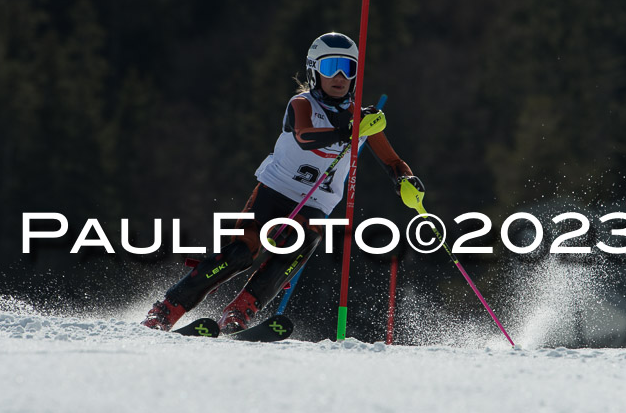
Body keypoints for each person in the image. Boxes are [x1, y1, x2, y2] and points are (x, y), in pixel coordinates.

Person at [142, 32, 424, 333]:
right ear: (315, 70)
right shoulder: (302, 103)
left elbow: (393, 161)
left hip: (316, 204)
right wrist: (348, 131)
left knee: (298, 244)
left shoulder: (364, 120)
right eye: (331, 68)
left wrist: (405, 180)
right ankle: (168, 308)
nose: (340, 77)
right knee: (240, 253)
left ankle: (240, 311)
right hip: (275, 191)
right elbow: (304, 136)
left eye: (348, 68)